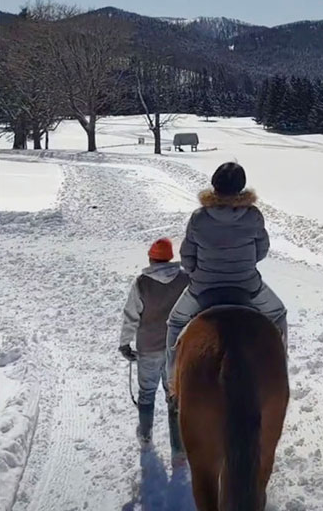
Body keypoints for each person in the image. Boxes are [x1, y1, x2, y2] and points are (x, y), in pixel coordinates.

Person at [165, 162, 288, 384]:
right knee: (278, 314)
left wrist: (196, 273)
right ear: (240, 187)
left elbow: (187, 255)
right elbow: (261, 250)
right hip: (247, 287)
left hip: (203, 288)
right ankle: (280, 371)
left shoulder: (199, 217)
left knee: (175, 322)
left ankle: (172, 381)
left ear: (215, 185)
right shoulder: (253, 215)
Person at [118, 237, 189, 452]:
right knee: (175, 397)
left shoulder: (141, 283)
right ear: (169, 258)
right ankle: (178, 448)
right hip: (177, 349)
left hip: (148, 348)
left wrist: (125, 343)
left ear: (151, 258)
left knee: (147, 393)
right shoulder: (185, 280)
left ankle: (146, 436)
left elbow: (131, 316)